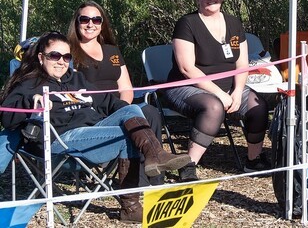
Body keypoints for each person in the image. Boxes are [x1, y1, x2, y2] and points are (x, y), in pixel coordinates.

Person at [0, 31, 191, 223]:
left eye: (66, 57)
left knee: (131, 109)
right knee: (127, 135)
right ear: (41, 57)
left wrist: (132, 116)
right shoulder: (29, 83)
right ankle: (131, 206)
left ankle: (155, 155)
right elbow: (7, 118)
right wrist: (30, 102)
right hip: (62, 141)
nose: (61, 61)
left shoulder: (76, 79)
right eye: (55, 56)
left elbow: (107, 101)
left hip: (94, 131)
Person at [164, 0, 270, 180]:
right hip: (188, 86)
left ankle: (253, 160)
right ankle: (188, 166)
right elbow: (187, 68)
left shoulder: (234, 23)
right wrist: (220, 94)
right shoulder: (187, 23)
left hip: (229, 87)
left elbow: (242, 63)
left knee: (258, 106)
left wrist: (238, 91)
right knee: (214, 106)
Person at [67, 0, 164, 185]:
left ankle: (155, 177)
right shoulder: (69, 53)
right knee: (141, 116)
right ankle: (136, 182)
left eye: (96, 20)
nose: (90, 24)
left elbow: (126, 87)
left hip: (120, 107)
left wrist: (124, 110)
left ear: (102, 24)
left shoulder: (112, 51)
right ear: (76, 22)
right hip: (93, 111)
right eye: (85, 19)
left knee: (150, 112)